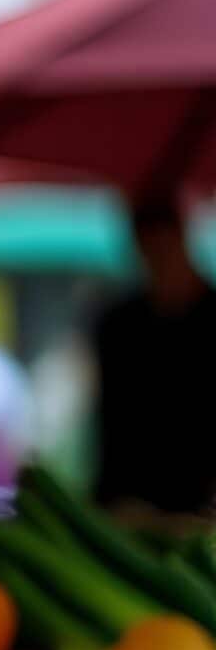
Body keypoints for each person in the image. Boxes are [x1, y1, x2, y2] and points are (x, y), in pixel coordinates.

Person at [92, 196, 216, 514]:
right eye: (151, 250)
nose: (159, 261)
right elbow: (111, 419)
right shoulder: (119, 325)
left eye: (165, 247)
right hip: (134, 501)